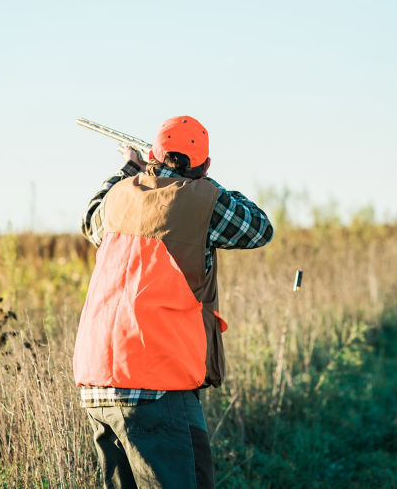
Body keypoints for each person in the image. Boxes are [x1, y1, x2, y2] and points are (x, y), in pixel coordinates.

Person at [74, 116, 273, 488]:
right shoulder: (204, 201)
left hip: (98, 381)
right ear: (206, 165)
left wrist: (128, 168)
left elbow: (90, 219)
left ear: (154, 153)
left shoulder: (119, 196)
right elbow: (259, 228)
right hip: (157, 383)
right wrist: (208, 185)